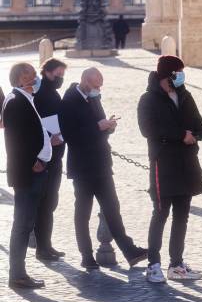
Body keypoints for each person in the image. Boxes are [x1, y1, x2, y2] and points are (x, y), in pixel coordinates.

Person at [138, 55, 202, 283]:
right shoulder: (148, 99)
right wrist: (180, 135)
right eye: (178, 72)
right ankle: (153, 265)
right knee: (160, 214)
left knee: (182, 216)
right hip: (163, 164)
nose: (182, 76)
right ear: (168, 74)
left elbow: (197, 125)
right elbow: (148, 129)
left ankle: (176, 264)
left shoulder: (184, 95)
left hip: (186, 163)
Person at [59, 67, 147, 269]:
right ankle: (86, 255)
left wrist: (109, 127)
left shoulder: (94, 97)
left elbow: (100, 126)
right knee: (83, 211)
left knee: (112, 208)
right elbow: (70, 135)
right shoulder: (69, 101)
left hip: (102, 163)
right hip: (82, 166)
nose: (99, 89)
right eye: (96, 85)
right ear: (85, 81)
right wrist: (98, 127)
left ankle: (129, 251)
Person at [3, 63, 52, 288]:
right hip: (28, 174)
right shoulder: (15, 101)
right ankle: (17, 275)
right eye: (33, 74)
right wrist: (35, 162)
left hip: (36, 171)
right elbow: (16, 142)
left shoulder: (26, 99)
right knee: (22, 225)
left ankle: (19, 273)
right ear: (23, 78)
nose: (37, 78)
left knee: (26, 223)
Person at [32, 58, 67, 261]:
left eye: (62, 75)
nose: (60, 78)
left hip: (56, 156)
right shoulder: (40, 94)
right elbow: (34, 123)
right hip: (46, 157)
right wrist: (48, 136)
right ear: (47, 72)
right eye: (58, 74)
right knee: (44, 203)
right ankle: (41, 247)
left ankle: (47, 244)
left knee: (50, 203)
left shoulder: (52, 92)